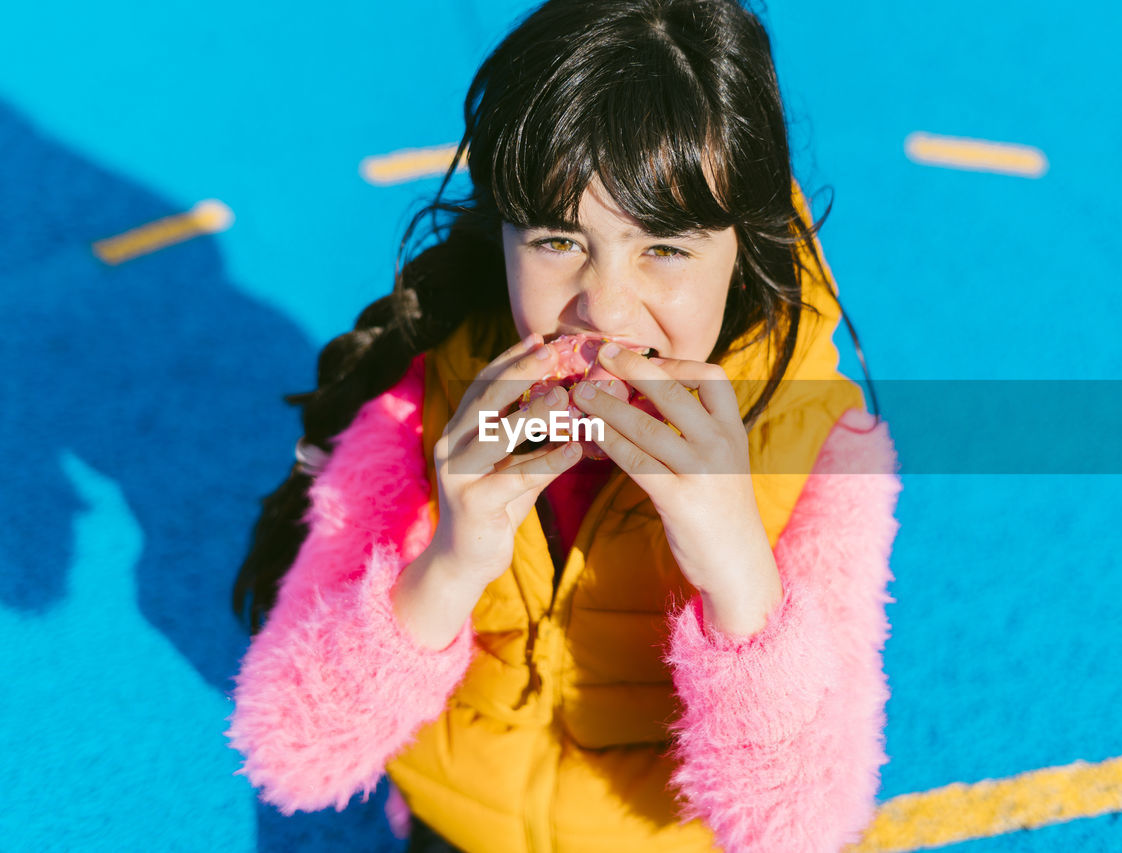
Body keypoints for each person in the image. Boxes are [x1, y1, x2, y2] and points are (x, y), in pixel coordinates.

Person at [224, 1, 902, 851]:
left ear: (745, 245)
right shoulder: (425, 397)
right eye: (555, 240)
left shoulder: (820, 454)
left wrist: (737, 572)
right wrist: (452, 557)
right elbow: (293, 751)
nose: (605, 309)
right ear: (503, 232)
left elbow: (800, 827)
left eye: (666, 248)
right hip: (452, 822)